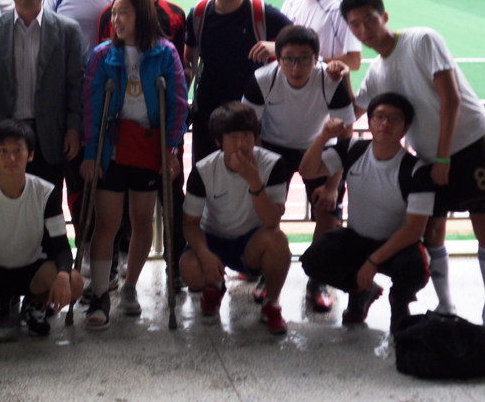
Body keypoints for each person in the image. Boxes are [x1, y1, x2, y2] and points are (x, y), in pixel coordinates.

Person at [342, 0, 485, 330]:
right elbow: (353, 111)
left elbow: (452, 99)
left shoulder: (422, 40)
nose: (363, 30)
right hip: (430, 155)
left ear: (384, 17)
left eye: (369, 20)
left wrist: (443, 158)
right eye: (355, 25)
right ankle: (446, 304)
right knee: (433, 229)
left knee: (483, 222)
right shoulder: (376, 72)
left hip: (469, 141)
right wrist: (336, 74)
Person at [80, 0, 188, 329]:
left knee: (142, 220)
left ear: (141, 16)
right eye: (114, 14)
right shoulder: (103, 54)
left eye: (123, 13)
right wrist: (90, 153)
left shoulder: (166, 53)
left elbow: (177, 103)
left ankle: (129, 287)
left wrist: (171, 149)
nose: (116, 20)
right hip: (112, 148)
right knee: (106, 222)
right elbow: (91, 107)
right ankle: (99, 294)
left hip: (148, 147)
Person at [299, 93, 433, 334]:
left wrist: (373, 261)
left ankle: (399, 304)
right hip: (356, 239)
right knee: (313, 260)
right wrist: (323, 137)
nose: (385, 123)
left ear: (406, 127)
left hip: (396, 245)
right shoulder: (353, 149)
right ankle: (361, 291)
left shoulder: (416, 170)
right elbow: (308, 170)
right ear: (369, 122)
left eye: (394, 118)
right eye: (379, 116)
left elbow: (414, 230)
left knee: (415, 268)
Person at [242, 25, 354, 309]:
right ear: (277, 58)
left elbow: (345, 136)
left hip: (320, 146)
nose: (296, 67)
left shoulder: (330, 80)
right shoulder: (263, 79)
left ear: (317, 59)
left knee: (328, 214)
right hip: (273, 146)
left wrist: (332, 186)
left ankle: (318, 279)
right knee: (267, 214)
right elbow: (250, 128)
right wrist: (259, 169)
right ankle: (268, 273)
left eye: (304, 58)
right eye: (289, 58)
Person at [0, 0, 84, 216]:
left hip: (50, 136)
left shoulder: (68, 31)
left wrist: (73, 128)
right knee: (5, 208)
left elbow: (76, 85)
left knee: (48, 207)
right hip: (4, 135)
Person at [0, 119, 83, 336]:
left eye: (18, 151)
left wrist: (62, 275)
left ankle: (35, 304)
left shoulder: (46, 192)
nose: (11, 158)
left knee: (75, 282)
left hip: (31, 272)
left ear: (30, 155)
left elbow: (62, 247)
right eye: (3, 151)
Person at [180, 102, 293, 334]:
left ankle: (271, 303)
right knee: (188, 267)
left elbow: (272, 221)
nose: (241, 144)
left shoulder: (273, 165)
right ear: (218, 141)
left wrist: (254, 181)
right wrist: (204, 253)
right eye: (233, 137)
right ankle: (214, 286)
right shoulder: (203, 170)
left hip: (251, 242)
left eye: (247, 135)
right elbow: (190, 224)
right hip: (213, 238)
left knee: (278, 242)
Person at [184, 0, 291, 165]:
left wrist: (276, 47)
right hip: (208, 116)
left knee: (249, 175)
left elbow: (304, 42)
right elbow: (189, 61)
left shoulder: (261, 13)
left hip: (251, 116)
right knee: (206, 175)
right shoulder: (198, 15)